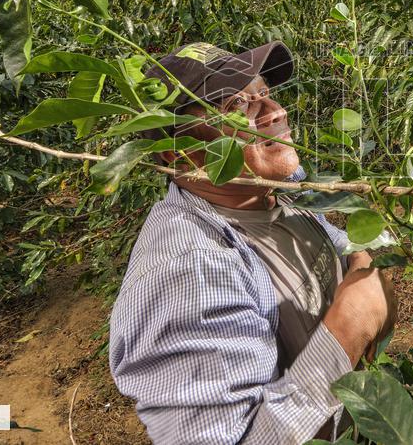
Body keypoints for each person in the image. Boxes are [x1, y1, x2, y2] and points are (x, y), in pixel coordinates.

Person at [108, 41, 397, 445]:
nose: (275, 111)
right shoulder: (190, 273)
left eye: (263, 94)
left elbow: (344, 250)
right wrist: (350, 328)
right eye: (237, 106)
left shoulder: (276, 190)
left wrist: (363, 264)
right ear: (176, 155)